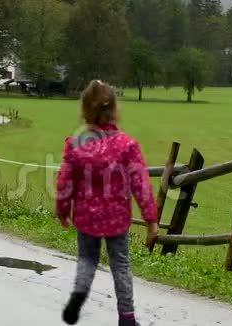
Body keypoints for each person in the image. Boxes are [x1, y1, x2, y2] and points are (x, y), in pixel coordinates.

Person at [56, 80, 158, 326]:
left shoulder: (77, 143)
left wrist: (63, 211)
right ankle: (127, 318)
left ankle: (77, 299)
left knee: (87, 261)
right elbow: (140, 183)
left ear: (84, 110)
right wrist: (151, 219)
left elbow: (65, 181)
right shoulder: (127, 145)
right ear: (114, 109)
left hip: (86, 217)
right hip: (117, 218)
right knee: (121, 265)